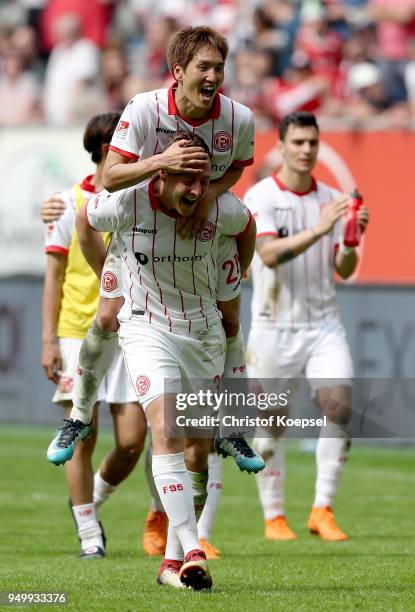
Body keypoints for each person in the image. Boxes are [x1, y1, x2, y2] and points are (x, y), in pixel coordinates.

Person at [44, 24, 264, 557]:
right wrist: (162, 167)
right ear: (179, 72)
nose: (213, 76)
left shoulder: (237, 120)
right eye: (203, 67)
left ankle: (227, 435)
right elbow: (108, 182)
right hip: (138, 240)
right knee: (106, 318)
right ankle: (79, 416)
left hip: (195, 254)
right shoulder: (144, 110)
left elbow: (236, 171)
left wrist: (206, 197)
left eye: (219, 67)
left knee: (231, 325)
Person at [79, 130, 257, 589]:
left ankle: (174, 564)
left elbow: (248, 228)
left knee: (198, 448)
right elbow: (86, 217)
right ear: (161, 173)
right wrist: (109, 278)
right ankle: (194, 544)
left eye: (203, 179)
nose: (196, 190)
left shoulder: (221, 208)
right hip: (145, 327)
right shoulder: (128, 201)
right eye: (186, 179)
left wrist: (231, 288)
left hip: (201, 332)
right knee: (165, 428)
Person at [244, 111, 370, 542]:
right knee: (271, 424)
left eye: (312, 143)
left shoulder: (332, 197)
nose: (306, 150)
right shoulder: (261, 197)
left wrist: (350, 237)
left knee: (339, 405)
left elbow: (344, 266)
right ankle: (274, 516)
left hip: (322, 324)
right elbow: (269, 254)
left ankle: (322, 508)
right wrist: (321, 228)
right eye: (297, 142)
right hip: (272, 327)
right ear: (280, 147)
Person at [43, 112, 147, 558]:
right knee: (81, 436)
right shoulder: (67, 204)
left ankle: (90, 502)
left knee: (131, 442)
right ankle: (89, 535)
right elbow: (55, 274)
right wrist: (49, 338)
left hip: (127, 331)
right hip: (76, 332)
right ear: (109, 148)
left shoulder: (140, 200)